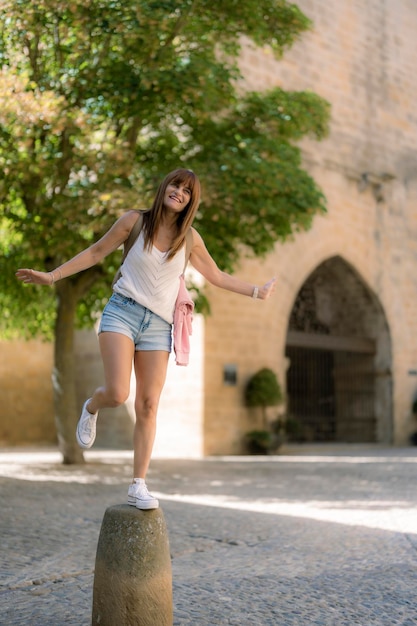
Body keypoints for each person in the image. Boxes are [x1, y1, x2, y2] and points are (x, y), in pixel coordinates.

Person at [16, 168, 276, 510]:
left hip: (158, 325)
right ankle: (92, 406)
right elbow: (95, 252)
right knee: (118, 393)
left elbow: (216, 276)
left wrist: (257, 291)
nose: (179, 192)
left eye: (186, 191)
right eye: (175, 185)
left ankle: (138, 484)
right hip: (121, 312)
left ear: (189, 202)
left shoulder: (190, 240)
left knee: (149, 405)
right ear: (164, 187)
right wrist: (52, 276)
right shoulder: (134, 222)